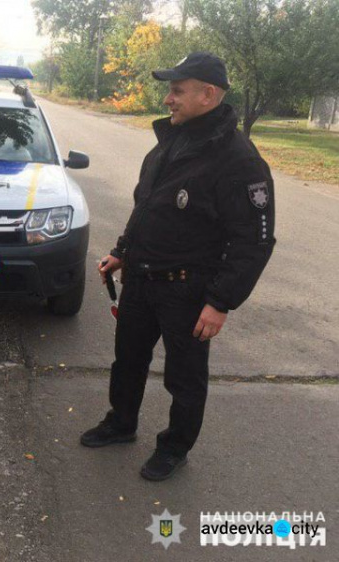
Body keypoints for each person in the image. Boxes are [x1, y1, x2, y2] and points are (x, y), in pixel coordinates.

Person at [80, 52, 276, 481]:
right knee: (127, 359)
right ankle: (121, 423)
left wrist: (220, 302)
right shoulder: (174, 138)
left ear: (208, 94)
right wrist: (121, 250)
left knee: (185, 379)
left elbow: (254, 241)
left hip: (188, 291)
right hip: (142, 277)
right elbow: (147, 205)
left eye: (177, 90)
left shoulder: (238, 159)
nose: (168, 99)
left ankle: (174, 447)